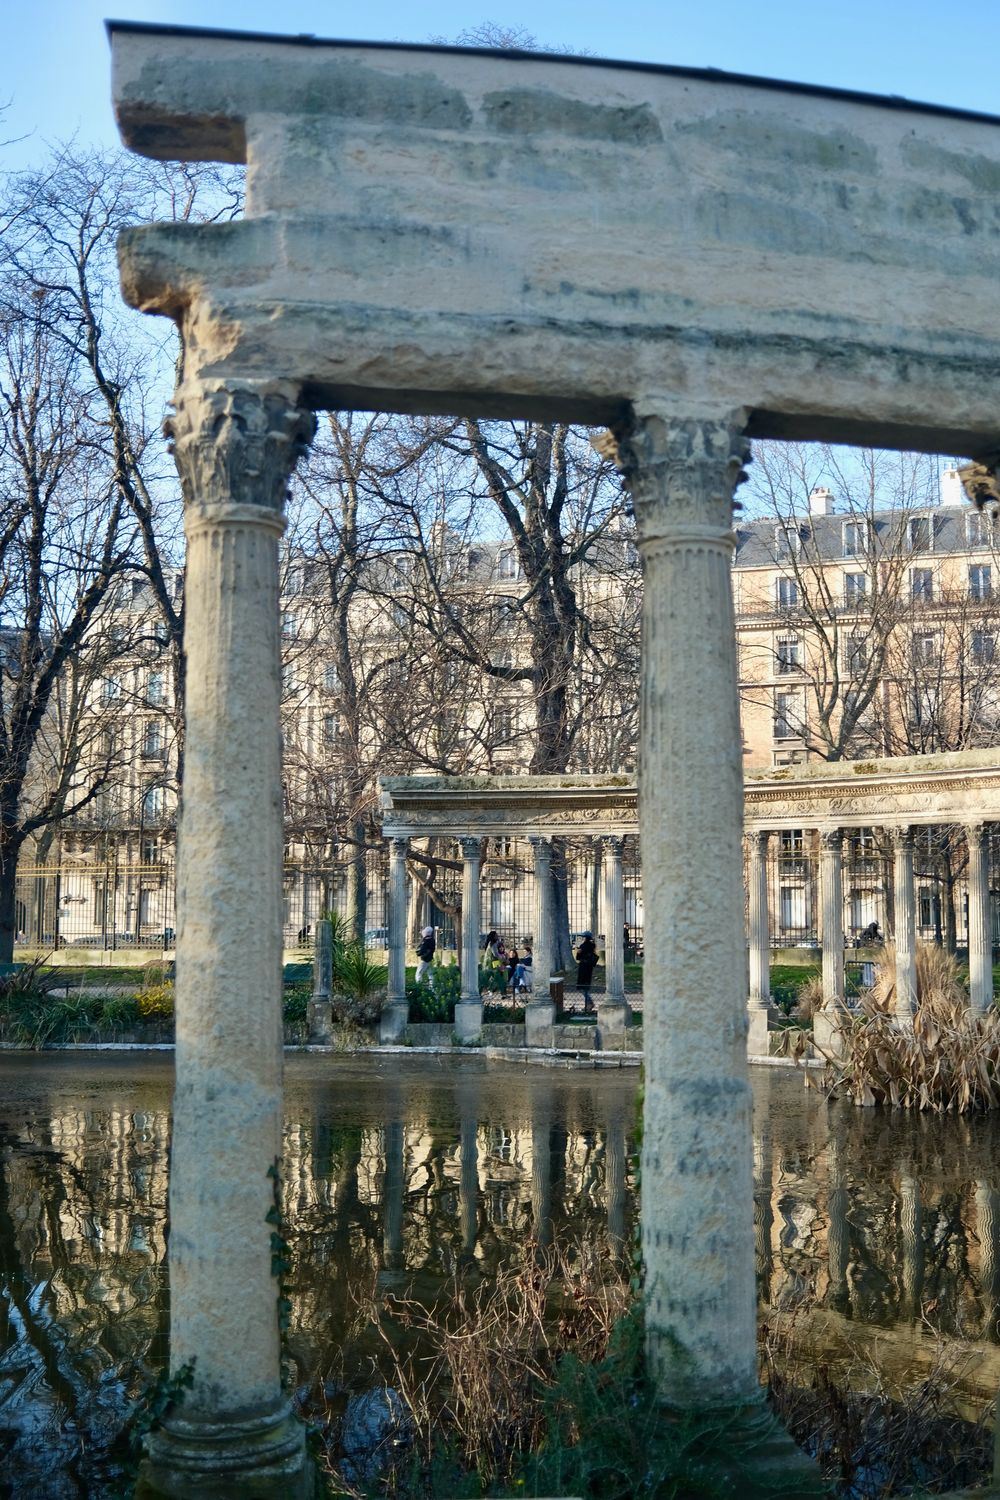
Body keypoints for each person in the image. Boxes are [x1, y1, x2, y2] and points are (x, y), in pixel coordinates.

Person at [575, 930, 599, 1014]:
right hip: (589, 967)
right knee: (586, 986)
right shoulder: (593, 945)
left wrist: (578, 951)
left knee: (581, 987)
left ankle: (589, 1003)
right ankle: (588, 1004)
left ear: (585, 938)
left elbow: (578, 957)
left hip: (583, 967)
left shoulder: (583, 946)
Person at [483, 930, 508, 995]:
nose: (497, 936)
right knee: (501, 975)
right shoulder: (493, 944)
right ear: (493, 937)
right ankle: (498, 991)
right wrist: (504, 958)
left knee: (497, 976)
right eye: (496, 935)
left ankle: (498, 991)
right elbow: (495, 954)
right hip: (494, 962)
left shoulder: (490, 943)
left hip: (491, 963)